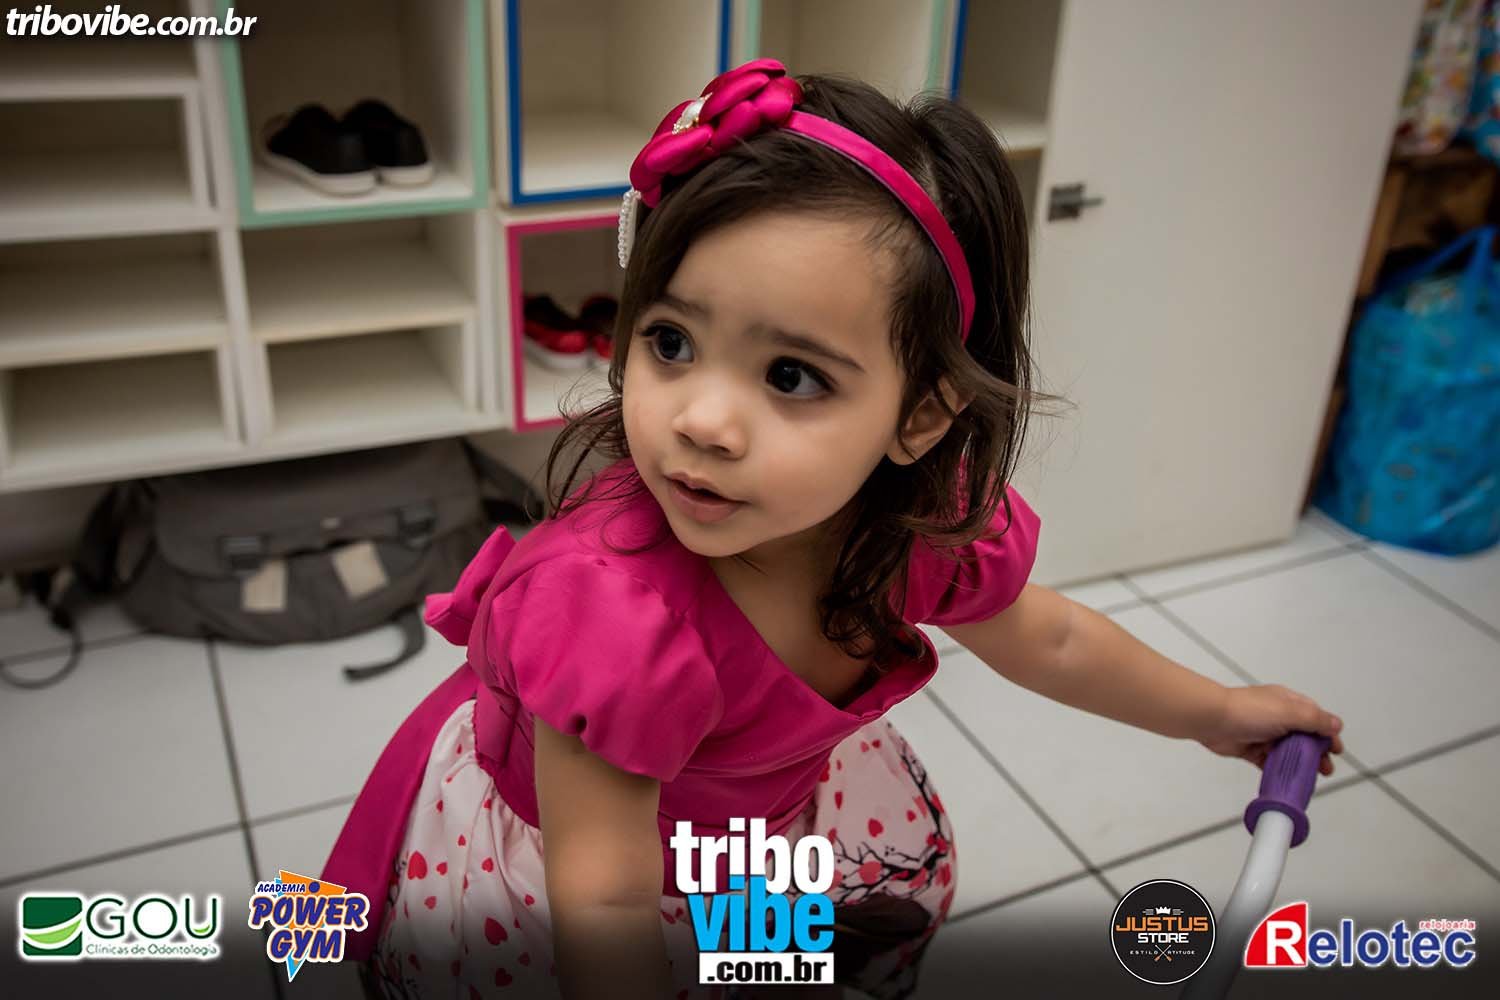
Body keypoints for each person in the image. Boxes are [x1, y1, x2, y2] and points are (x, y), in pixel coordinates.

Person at [323, 59, 1345, 1000]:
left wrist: (1217, 712)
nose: (702, 421)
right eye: (671, 342)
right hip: (581, 876)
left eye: (791, 375)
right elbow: (605, 902)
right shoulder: (614, 616)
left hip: (752, 840)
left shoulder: (914, 525)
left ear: (920, 417)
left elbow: (1054, 640)